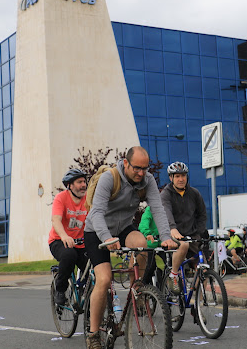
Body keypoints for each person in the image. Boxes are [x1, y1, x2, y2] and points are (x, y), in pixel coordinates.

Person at [84, 147, 176, 349]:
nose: (141, 173)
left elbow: (158, 209)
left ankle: (138, 290)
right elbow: (97, 212)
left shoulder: (147, 180)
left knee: (141, 243)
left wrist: (166, 237)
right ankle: (92, 335)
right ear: (126, 163)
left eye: (145, 168)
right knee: (105, 278)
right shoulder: (110, 178)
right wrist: (107, 238)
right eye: (137, 168)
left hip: (123, 227)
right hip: (96, 231)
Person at [160, 161, 208, 294]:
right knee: (183, 245)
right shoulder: (166, 194)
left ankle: (197, 302)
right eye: (177, 176)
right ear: (171, 178)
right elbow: (166, 212)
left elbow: (202, 215)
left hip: (192, 236)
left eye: (183, 176)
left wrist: (198, 232)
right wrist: (172, 228)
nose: (181, 179)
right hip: (173, 236)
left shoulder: (194, 193)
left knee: (204, 270)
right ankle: (173, 276)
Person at [48, 168, 89, 306]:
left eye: (84, 181)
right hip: (59, 241)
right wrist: (64, 236)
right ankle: (60, 290)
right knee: (69, 255)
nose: (83, 185)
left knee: (94, 263)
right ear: (70, 185)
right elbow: (56, 220)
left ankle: (84, 289)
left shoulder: (88, 199)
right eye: (79, 182)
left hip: (80, 243)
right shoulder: (61, 198)